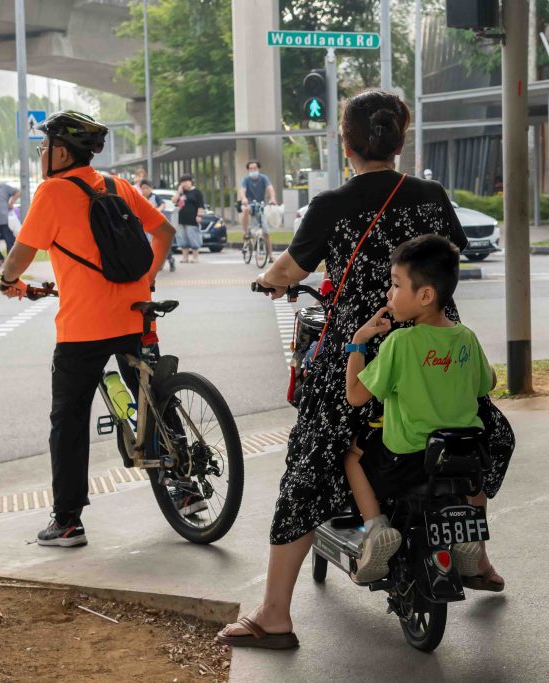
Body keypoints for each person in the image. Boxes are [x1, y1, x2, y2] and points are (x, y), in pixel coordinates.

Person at [216, 90, 515, 650]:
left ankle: (275, 613)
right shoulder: (431, 195)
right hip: (437, 350)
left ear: (345, 143)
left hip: (362, 354)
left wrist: (269, 282)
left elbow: (289, 268)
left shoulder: (333, 204)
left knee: (310, 463)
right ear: (400, 142)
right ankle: (476, 555)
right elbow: (451, 254)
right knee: (479, 430)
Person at [0, 111, 175, 547]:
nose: (42, 156)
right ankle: (186, 489)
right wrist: (147, 279)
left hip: (84, 328)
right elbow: (165, 231)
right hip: (136, 314)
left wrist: (7, 281)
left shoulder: (53, 191)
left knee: (69, 422)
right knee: (155, 397)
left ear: (60, 151)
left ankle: (68, 521)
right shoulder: (119, 186)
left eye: (44, 148)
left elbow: (19, 257)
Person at [344, 235, 497, 582]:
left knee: (352, 454)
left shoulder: (401, 342)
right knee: (472, 479)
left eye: (396, 285)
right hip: (461, 459)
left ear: (425, 295)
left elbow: (355, 395)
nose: (388, 294)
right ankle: (467, 539)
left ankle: (376, 529)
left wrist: (358, 341)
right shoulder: (466, 338)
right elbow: (487, 383)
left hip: (407, 462)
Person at [239, 160, 277, 262]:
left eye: (255, 168)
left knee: (266, 233)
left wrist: (272, 198)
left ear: (258, 169)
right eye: (251, 169)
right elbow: (242, 191)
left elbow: (270, 188)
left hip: (261, 205)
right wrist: (244, 199)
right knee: (245, 209)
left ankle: (270, 256)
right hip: (250, 204)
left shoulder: (263, 178)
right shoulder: (245, 180)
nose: (253, 170)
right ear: (248, 170)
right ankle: (246, 231)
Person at [139, 179, 175, 273]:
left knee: (161, 245)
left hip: (156, 225)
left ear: (151, 188)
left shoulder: (155, 197)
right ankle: (153, 265)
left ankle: (171, 260)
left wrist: (157, 211)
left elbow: (162, 204)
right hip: (145, 226)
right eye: (143, 188)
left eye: (147, 188)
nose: (145, 190)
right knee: (147, 245)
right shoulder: (140, 197)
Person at [173, 174, 204, 264]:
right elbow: (174, 201)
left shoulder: (197, 192)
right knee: (182, 239)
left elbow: (200, 205)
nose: (184, 184)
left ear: (191, 181)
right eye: (182, 182)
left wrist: (199, 216)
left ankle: (195, 257)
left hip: (192, 219)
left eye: (186, 182)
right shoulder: (182, 192)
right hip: (181, 219)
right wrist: (179, 192)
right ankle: (185, 257)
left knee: (193, 238)